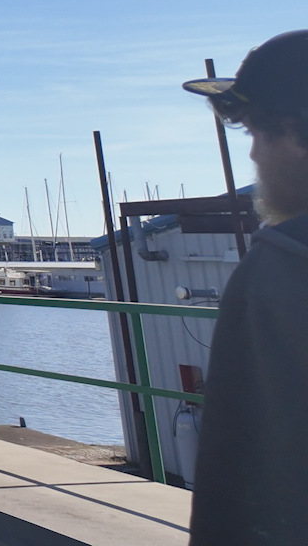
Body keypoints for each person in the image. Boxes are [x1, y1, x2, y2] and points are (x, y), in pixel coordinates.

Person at [182, 29, 308, 544]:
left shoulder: (278, 274)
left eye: (257, 134)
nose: (254, 156)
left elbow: (245, 485)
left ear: (296, 134)